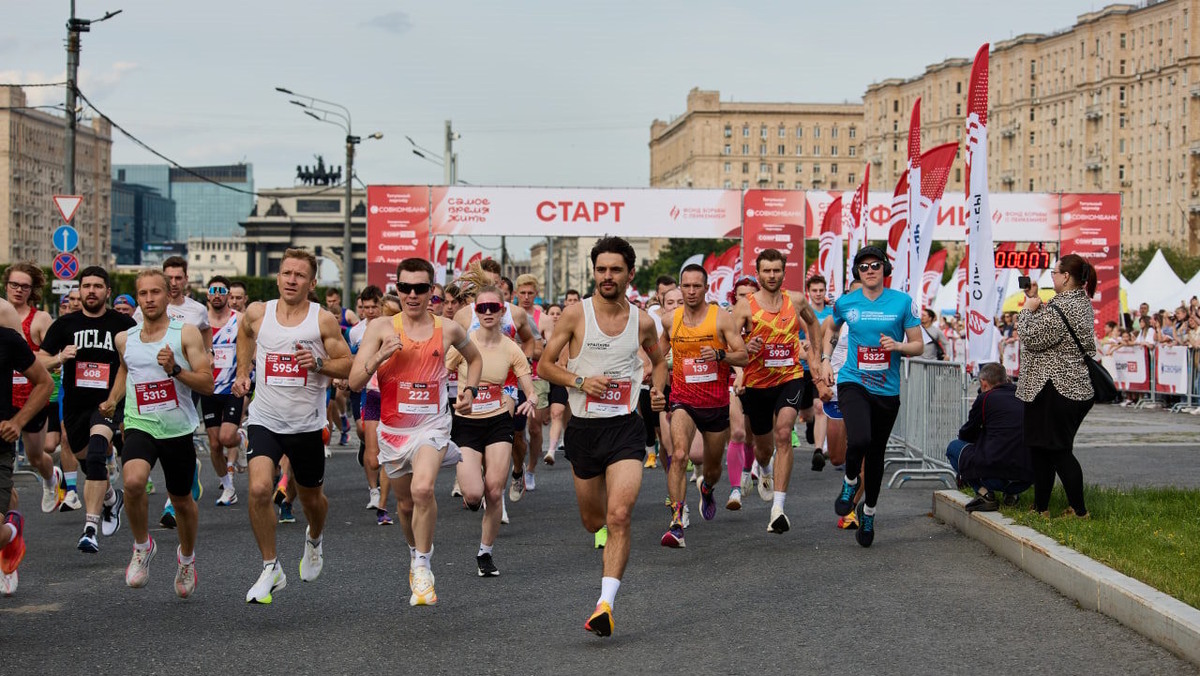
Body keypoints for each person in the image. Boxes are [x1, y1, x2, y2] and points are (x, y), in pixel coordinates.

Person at [538, 236, 667, 638]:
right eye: (601, 270)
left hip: (625, 428)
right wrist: (580, 380)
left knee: (620, 516)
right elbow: (544, 365)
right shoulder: (576, 316)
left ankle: (605, 605)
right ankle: (604, 542)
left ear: (630, 273)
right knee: (594, 519)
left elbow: (660, 360)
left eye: (615, 270)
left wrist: (659, 388)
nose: (607, 277)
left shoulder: (643, 321)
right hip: (584, 430)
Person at [350, 258, 481, 606]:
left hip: (432, 426)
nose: (411, 295)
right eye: (404, 288)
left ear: (431, 290)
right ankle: (414, 552)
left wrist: (470, 391)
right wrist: (379, 356)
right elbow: (354, 381)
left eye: (420, 288)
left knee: (423, 489)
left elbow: (475, 358)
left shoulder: (448, 328)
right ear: (396, 289)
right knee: (405, 505)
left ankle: (423, 565)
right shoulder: (380, 327)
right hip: (394, 431)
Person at [232, 249, 353, 604]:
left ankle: (314, 538)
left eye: (299, 275)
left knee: (313, 500)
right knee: (258, 489)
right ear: (278, 276)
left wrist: (318, 363)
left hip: (305, 426)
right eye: (286, 273)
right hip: (265, 419)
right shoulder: (259, 312)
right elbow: (244, 332)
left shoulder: (322, 321)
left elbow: (348, 365)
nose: (291, 280)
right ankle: (271, 567)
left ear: (311, 283)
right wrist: (243, 371)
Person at [100, 270, 213, 596]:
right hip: (140, 423)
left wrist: (175, 370)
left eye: (155, 292)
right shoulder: (126, 338)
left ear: (167, 296)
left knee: (181, 500)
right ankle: (142, 545)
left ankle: (186, 558)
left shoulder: (185, 334)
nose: (149, 299)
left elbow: (206, 382)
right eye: (143, 293)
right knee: (133, 481)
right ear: (138, 298)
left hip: (177, 428)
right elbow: (126, 368)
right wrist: (112, 399)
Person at [825, 246, 923, 548]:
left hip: (887, 389)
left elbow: (918, 344)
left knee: (877, 454)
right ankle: (849, 482)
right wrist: (825, 359)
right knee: (860, 439)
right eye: (863, 266)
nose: (869, 270)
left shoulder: (902, 302)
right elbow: (831, 326)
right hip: (854, 381)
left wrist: (898, 346)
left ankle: (868, 512)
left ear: (884, 269)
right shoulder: (846, 302)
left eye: (875, 265)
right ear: (857, 271)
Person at [37, 267, 136, 552]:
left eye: (97, 286)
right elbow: (38, 362)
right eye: (86, 286)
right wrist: (58, 357)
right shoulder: (64, 325)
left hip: (108, 401)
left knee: (96, 451)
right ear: (79, 291)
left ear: (107, 291)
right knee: (87, 459)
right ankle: (110, 500)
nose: (91, 291)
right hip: (75, 404)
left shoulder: (123, 324)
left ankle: (89, 529)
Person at [732, 248, 828, 534]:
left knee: (784, 432)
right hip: (757, 384)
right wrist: (743, 352)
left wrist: (817, 358)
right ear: (758, 273)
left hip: (790, 376)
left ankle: (778, 509)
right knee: (764, 448)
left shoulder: (796, 300)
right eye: (766, 270)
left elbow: (813, 323)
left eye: (776, 270)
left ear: (784, 272)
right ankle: (763, 468)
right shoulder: (745, 306)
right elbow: (730, 343)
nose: (772, 275)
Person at [446, 282, 536, 577]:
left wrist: (531, 398)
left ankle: (485, 553)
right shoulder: (464, 343)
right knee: (473, 495)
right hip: (467, 423)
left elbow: (526, 380)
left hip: (498, 420)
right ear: (475, 310)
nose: (487, 312)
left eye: (493, 308)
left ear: (502, 311)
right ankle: (475, 499)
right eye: (481, 307)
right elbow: (438, 372)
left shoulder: (512, 347)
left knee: (494, 491)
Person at [658, 264, 748, 548]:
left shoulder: (720, 318)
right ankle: (676, 522)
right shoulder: (670, 320)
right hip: (683, 400)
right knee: (680, 454)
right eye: (687, 286)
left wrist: (720, 355)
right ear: (680, 287)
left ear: (706, 288)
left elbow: (743, 356)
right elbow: (658, 350)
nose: (692, 291)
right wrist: (649, 370)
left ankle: (707, 489)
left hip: (716, 404)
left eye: (697, 286)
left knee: (712, 470)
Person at [1016, 254, 1097, 518]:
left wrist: (1027, 309)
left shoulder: (1066, 306)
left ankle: (1080, 510)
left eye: (1054, 272)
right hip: (1057, 387)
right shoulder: (1075, 303)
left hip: (1056, 387)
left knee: (1058, 450)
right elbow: (1050, 330)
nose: (1051, 277)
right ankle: (1041, 508)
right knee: (1043, 449)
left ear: (1066, 277)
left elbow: (1032, 337)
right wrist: (1036, 301)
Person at [135, 256, 212, 528]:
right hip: (152, 383)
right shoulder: (141, 310)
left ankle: (172, 501)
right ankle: (187, 472)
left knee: (180, 431)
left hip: (183, 381)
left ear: (185, 280)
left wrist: (206, 354)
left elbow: (206, 332)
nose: (174, 282)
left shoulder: (197, 311)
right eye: (169, 278)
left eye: (178, 278)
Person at [3, 263, 63, 513]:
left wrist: (47, 360)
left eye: (24, 286)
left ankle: (52, 480)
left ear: (32, 290)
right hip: (6, 396)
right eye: (14, 285)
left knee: (36, 456)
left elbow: (52, 359)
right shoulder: (3, 312)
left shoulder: (40, 318)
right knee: (8, 468)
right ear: (6, 286)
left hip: (31, 395)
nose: (18, 290)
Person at [0, 316, 54, 595]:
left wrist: (18, 422)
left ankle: (12, 530)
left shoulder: (8, 339)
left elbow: (45, 383)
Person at [944, 363, 1032, 512]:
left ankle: (985, 494)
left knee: (954, 448)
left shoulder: (985, 399)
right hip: (1025, 476)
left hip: (994, 476)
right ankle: (1012, 495)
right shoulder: (1024, 396)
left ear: (984, 384)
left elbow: (967, 433)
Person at [201, 276, 244, 507]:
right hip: (208, 388)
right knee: (215, 444)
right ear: (207, 295)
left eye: (221, 290)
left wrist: (247, 373)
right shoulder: (201, 323)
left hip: (232, 388)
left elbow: (252, 347)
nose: (217, 295)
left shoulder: (240, 321)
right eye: (213, 290)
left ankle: (242, 437)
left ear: (228, 295)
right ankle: (228, 487)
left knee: (227, 438)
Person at [514, 274, 550, 490]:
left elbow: (546, 353)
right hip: (512, 378)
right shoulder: (508, 314)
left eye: (530, 293)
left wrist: (521, 350)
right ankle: (517, 463)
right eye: (522, 293)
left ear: (536, 294)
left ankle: (531, 469)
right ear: (516, 293)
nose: (526, 297)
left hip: (536, 376)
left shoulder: (543, 319)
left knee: (535, 428)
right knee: (517, 431)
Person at [799, 274, 835, 471]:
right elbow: (795, 338)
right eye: (815, 291)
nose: (818, 294)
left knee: (820, 405)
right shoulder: (804, 313)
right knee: (807, 412)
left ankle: (818, 451)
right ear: (809, 292)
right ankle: (810, 423)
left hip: (821, 367)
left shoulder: (831, 313)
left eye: (821, 290)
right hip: (803, 368)